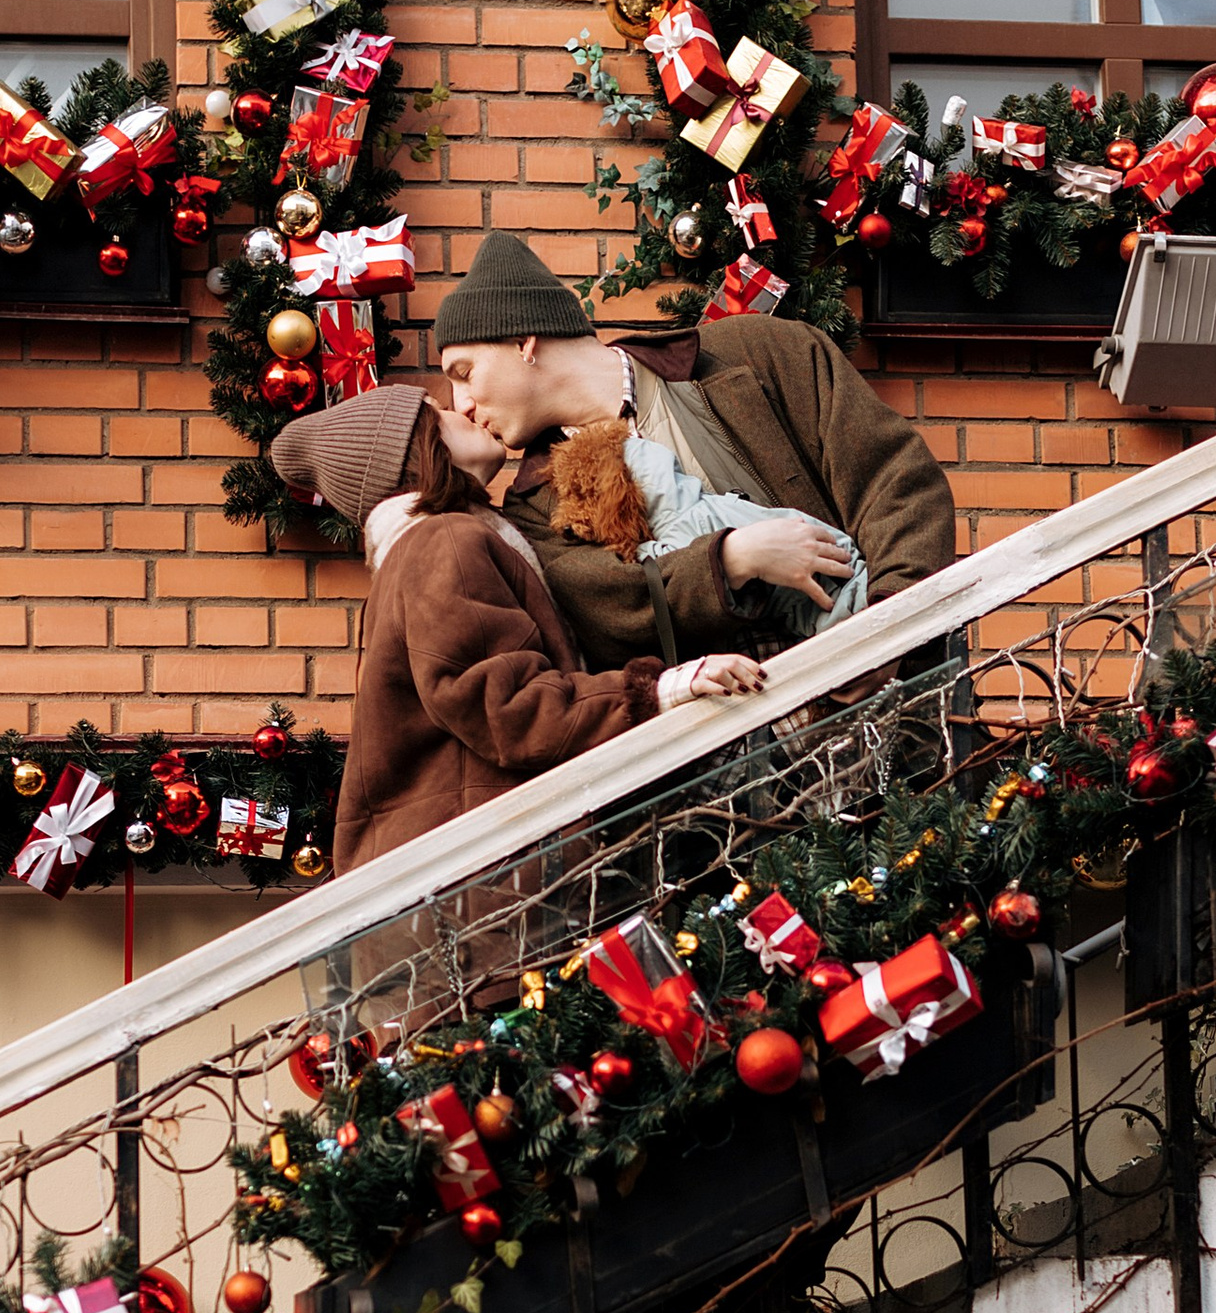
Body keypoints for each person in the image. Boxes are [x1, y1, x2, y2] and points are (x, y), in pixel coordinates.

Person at [266, 381, 766, 878]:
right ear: (416, 445)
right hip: (487, 884)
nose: (462, 409)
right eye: (440, 410)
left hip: (458, 883)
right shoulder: (443, 540)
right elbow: (507, 707)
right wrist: (660, 688)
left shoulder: (424, 549)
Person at [431, 230, 959, 670]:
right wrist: (727, 560)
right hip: (735, 779)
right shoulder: (536, 510)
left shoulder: (765, 352)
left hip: (898, 714)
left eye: (465, 373)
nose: (463, 404)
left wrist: (885, 638)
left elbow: (896, 482)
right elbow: (613, 619)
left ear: (524, 341)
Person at [544, 419, 871, 643]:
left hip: (842, 602)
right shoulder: (695, 509)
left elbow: (664, 567)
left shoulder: (689, 523)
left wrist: (635, 553)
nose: (569, 518)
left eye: (585, 496)